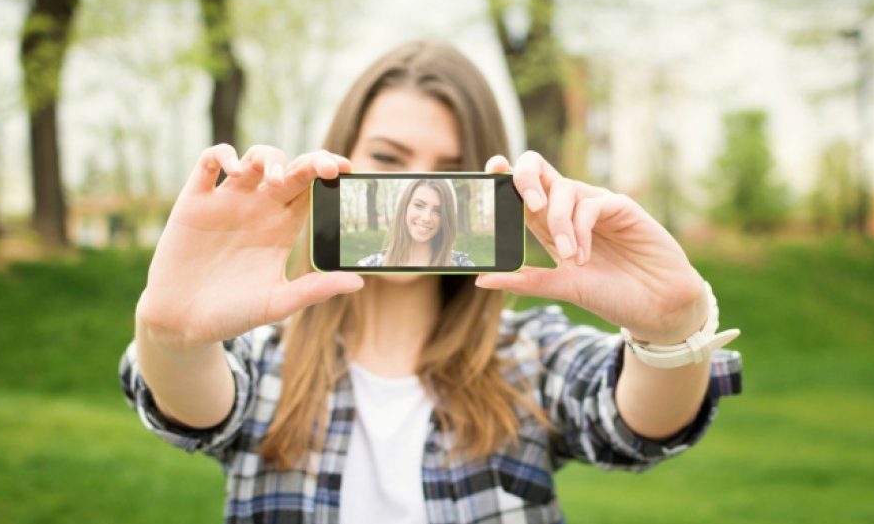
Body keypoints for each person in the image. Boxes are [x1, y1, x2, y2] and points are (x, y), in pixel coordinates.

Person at [120, 42, 742, 524]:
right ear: (341, 159)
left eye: (451, 170)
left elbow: (636, 425)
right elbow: (190, 404)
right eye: (388, 159)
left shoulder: (529, 354)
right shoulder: (263, 352)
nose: (417, 192)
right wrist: (171, 335)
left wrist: (670, 329)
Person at [356, 178, 474, 267]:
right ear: (404, 207)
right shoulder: (369, 265)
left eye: (438, 211)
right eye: (419, 205)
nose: (426, 218)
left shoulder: (464, 267)